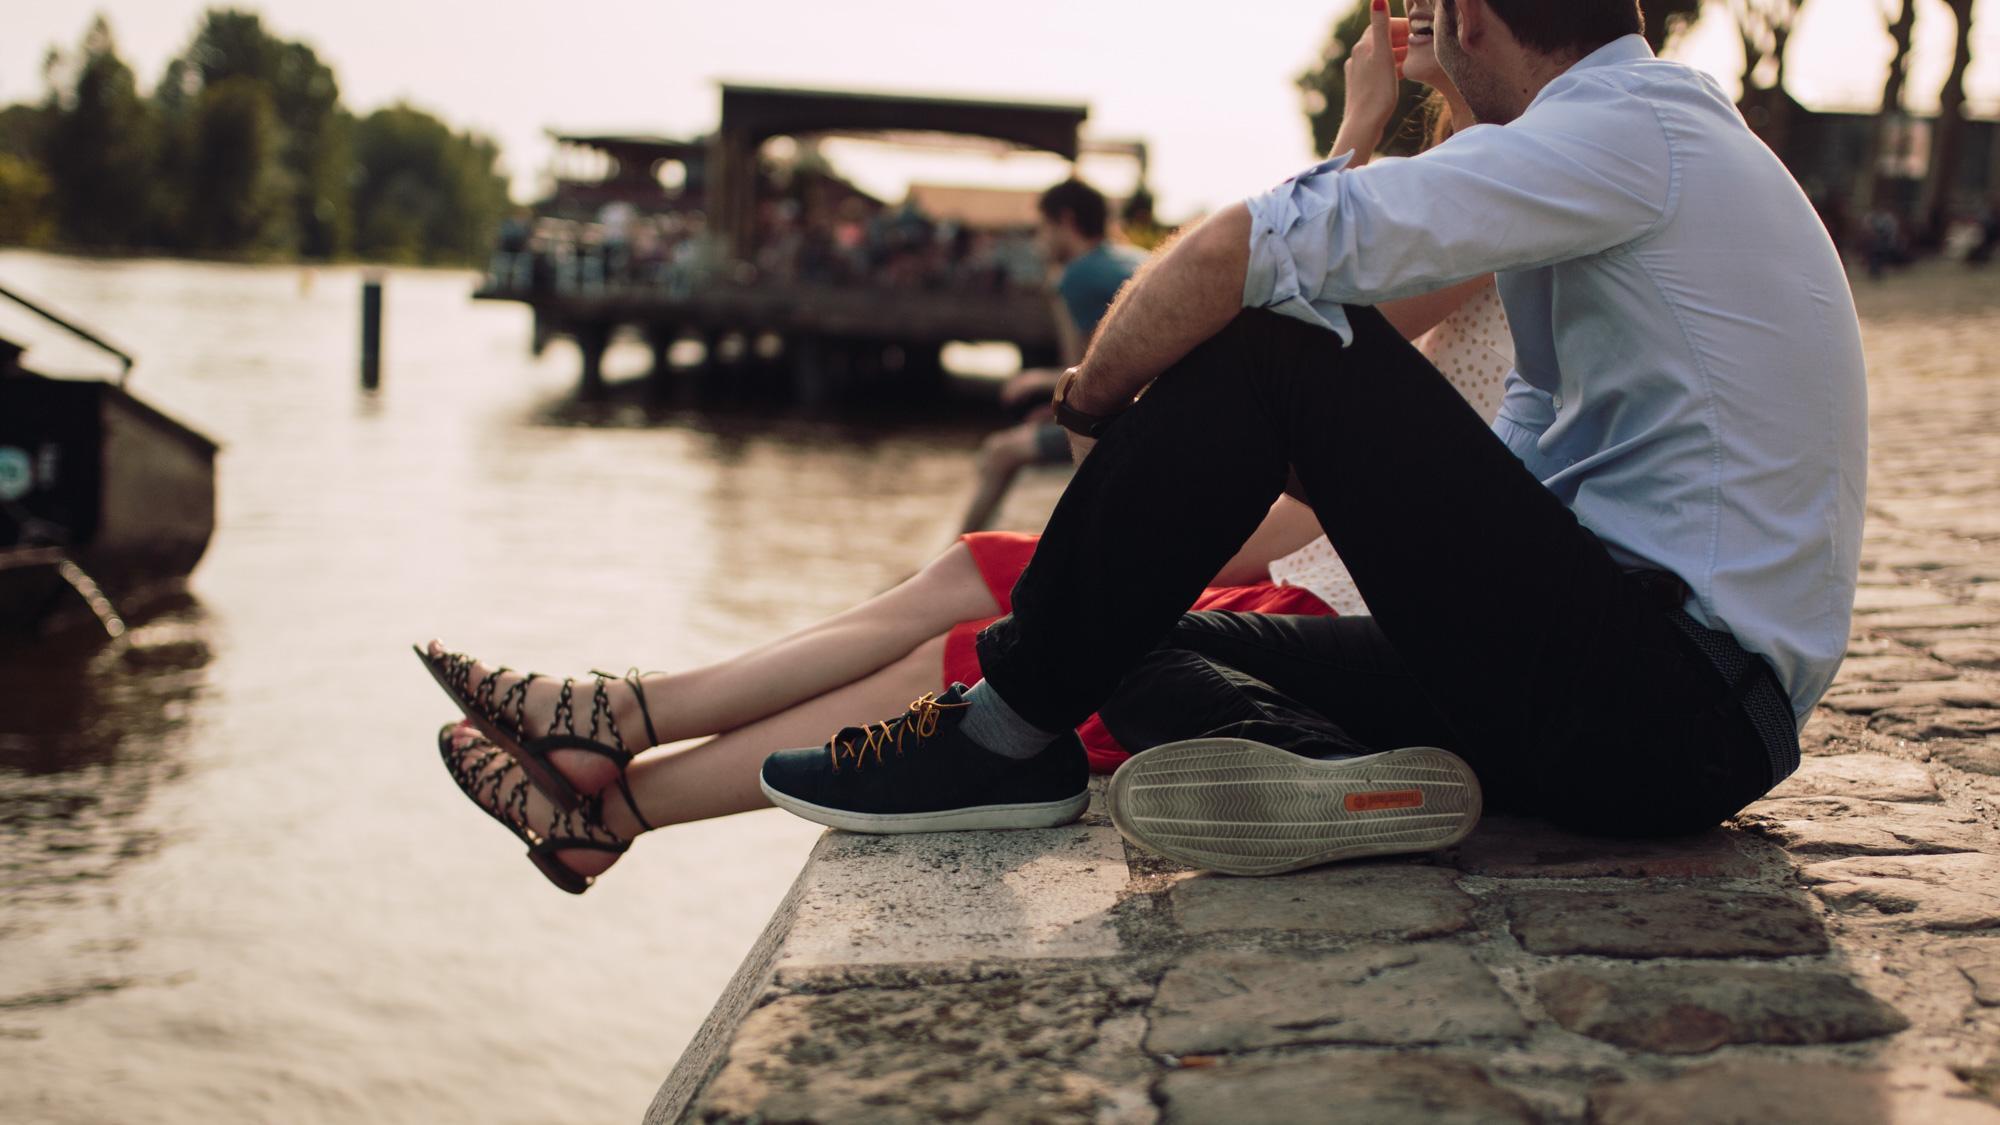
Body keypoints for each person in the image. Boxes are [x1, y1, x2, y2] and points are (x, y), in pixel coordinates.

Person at [750, 0, 1867, 876]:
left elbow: (1252, 251)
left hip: (1674, 708)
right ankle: (1342, 781)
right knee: (1131, 641)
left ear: (1468, 14)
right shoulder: (1636, 147)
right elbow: (1510, 479)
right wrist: (1334, 466)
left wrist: (1090, 405)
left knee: (1276, 346)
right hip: (1617, 696)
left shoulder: (1627, 132)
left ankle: (996, 738)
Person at [417, 31, 1515, 893]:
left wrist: (1354, 129)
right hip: (1343, 569)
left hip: (1359, 612)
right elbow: (1316, 401)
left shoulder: (1498, 181)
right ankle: (624, 716)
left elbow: (1300, 308)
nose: (1399, 13)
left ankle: (612, 810)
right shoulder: (1482, 176)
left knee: (980, 648)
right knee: (982, 566)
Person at [958, 180, 1146, 535]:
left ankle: (957, 554)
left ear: (1066, 220)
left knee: (1000, 452)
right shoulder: (1130, 257)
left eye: (1042, 227)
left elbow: (1087, 372)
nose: (1039, 240)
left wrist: (1037, 381)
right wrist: (1056, 404)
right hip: (1162, 404)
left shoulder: (1077, 275)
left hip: (1133, 421)